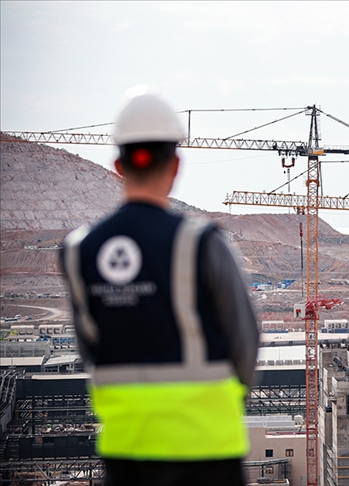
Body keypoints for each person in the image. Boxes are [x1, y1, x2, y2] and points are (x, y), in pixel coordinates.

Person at [60, 89, 259, 486]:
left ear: (118, 165)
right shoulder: (202, 242)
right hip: (207, 450)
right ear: (176, 165)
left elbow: (89, 349)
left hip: (126, 452)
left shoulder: (78, 250)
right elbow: (244, 338)